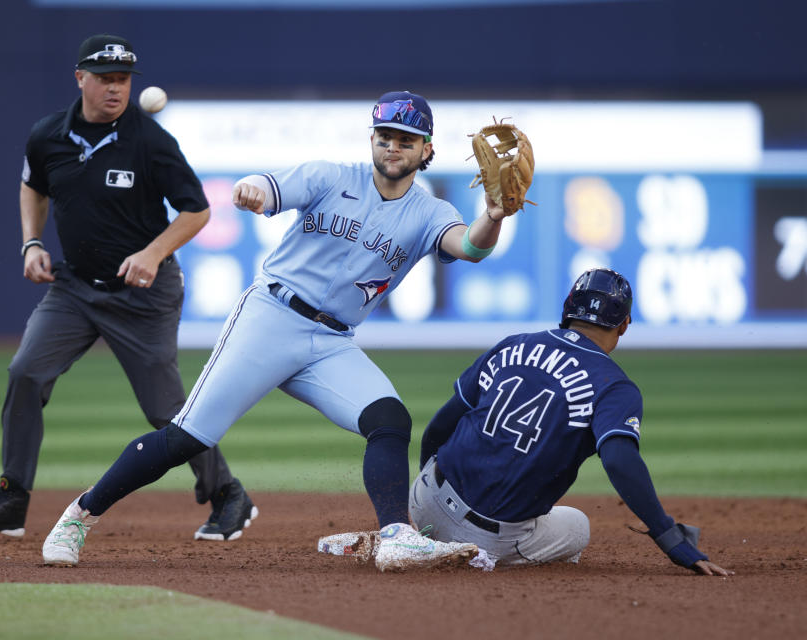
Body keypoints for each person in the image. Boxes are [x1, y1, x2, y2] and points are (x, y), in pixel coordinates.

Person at [40, 90, 515, 570]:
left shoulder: (430, 212)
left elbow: (470, 248)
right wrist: (252, 190)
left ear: (426, 150)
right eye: (385, 136)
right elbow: (267, 187)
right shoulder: (331, 176)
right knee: (187, 437)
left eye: (407, 140)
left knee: (389, 420)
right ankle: (80, 515)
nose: (394, 146)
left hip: (332, 342)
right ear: (372, 139)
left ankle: (395, 535)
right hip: (270, 317)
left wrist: (493, 216)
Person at [0, 34, 257, 544]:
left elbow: (198, 211)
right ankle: (11, 498)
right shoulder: (48, 134)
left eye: (123, 79)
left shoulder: (151, 141)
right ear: (81, 79)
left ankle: (227, 494)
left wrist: (154, 252)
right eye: (105, 78)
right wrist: (30, 242)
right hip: (74, 288)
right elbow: (33, 184)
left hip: (144, 295)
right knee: (26, 371)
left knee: (166, 411)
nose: (116, 88)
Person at [406, 268, 732, 575]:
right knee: (578, 525)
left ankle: (426, 534)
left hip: (422, 502)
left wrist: (427, 489)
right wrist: (671, 539)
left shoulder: (512, 344)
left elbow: (439, 427)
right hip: (486, 541)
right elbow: (620, 461)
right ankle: (481, 559)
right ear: (624, 325)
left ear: (568, 310)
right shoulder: (614, 385)